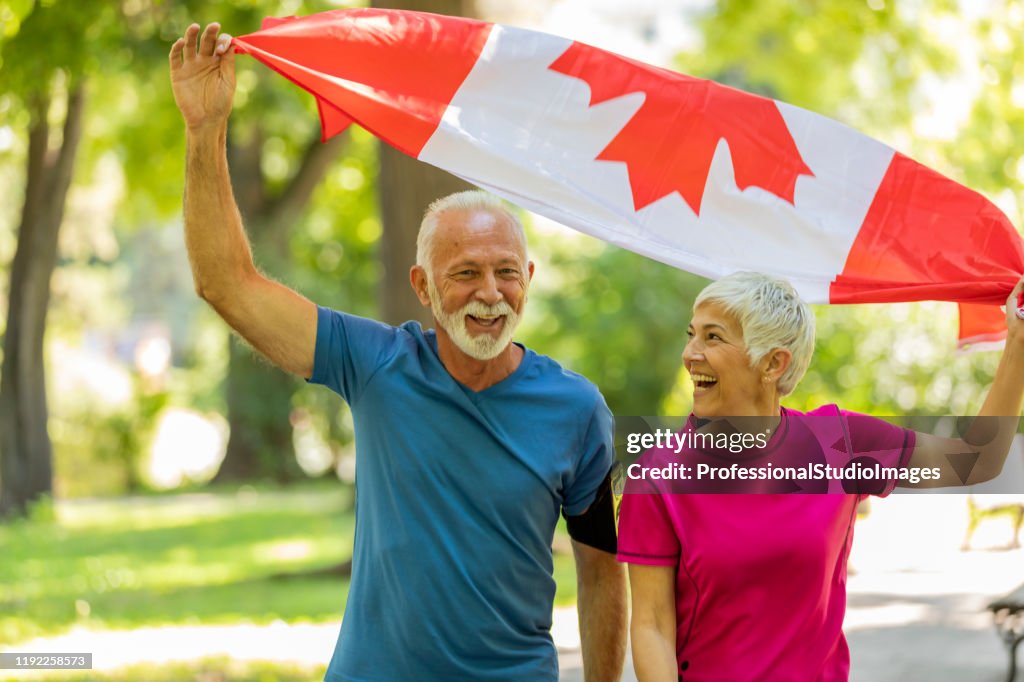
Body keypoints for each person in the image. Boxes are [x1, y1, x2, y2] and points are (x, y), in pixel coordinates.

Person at [169, 22, 627, 682]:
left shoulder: (577, 409)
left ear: (528, 278)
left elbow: (602, 570)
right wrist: (204, 130)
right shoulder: (378, 364)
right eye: (466, 272)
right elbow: (228, 286)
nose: (490, 293)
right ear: (423, 287)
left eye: (506, 272)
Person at [619, 271, 1024, 682]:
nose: (690, 353)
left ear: (774, 363)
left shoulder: (840, 444)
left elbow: (976, 459)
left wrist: (1018, 342)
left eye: (713, 337)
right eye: (692, 334)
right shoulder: (658, 475)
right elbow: (651, 624)